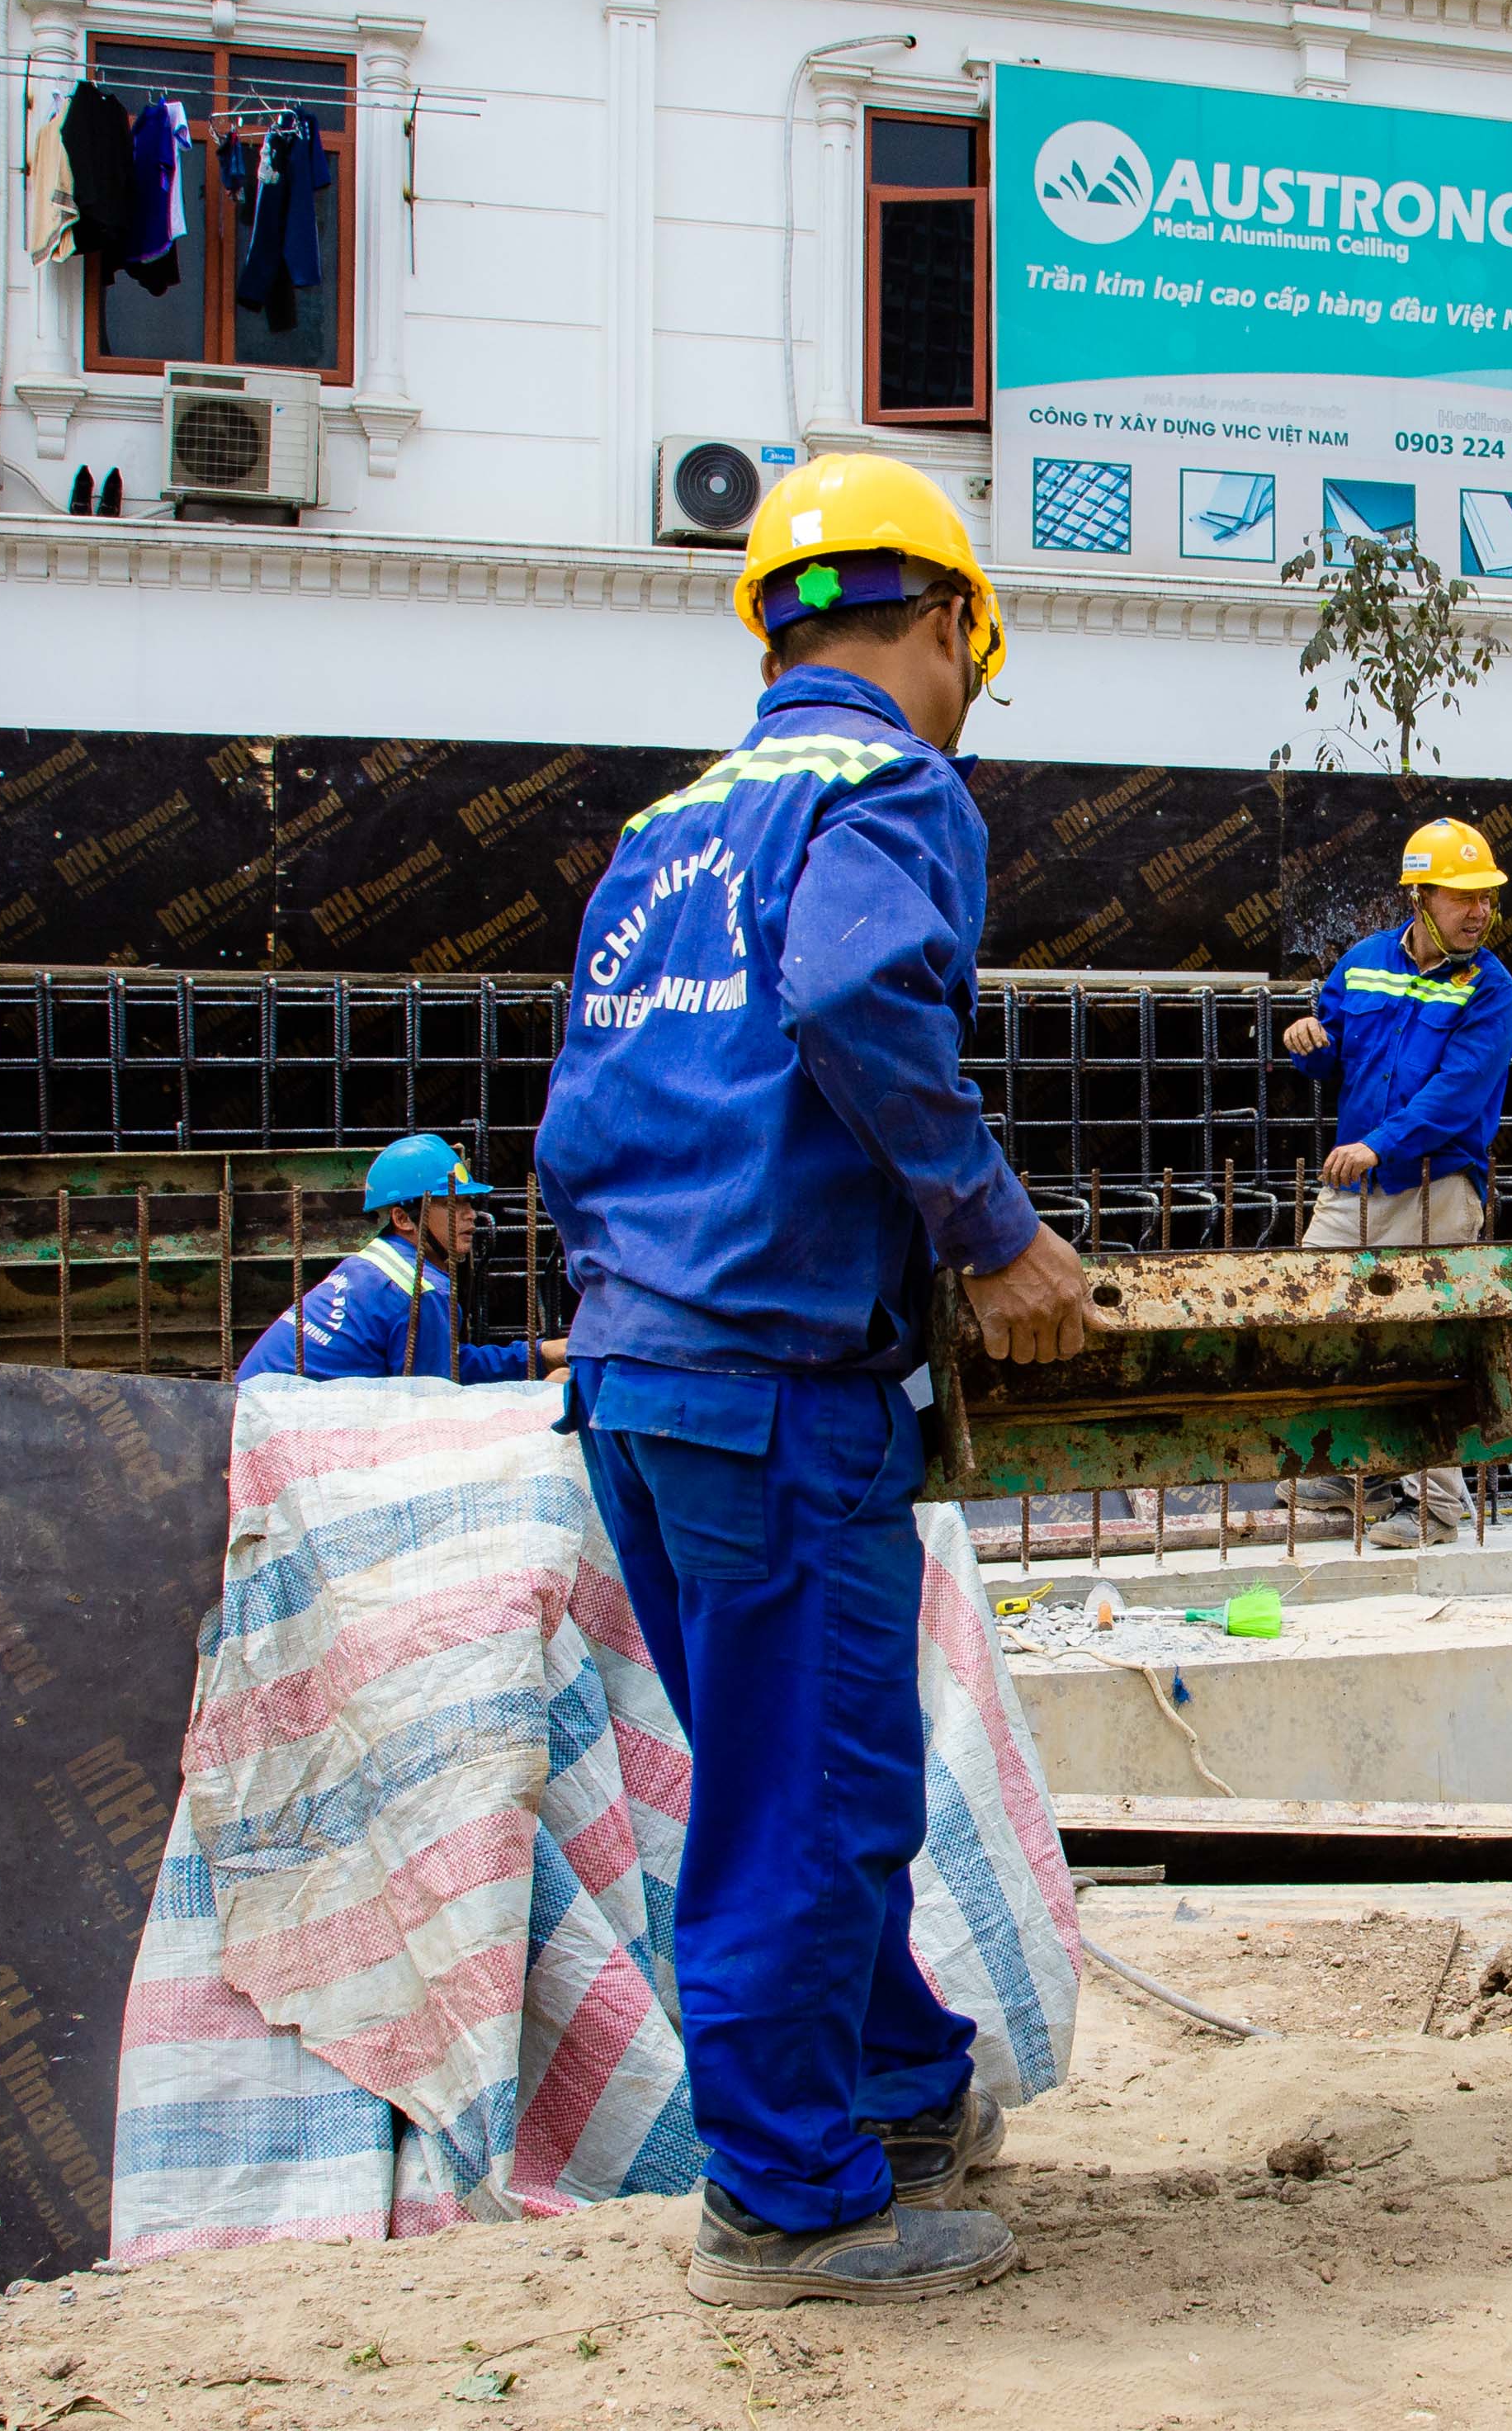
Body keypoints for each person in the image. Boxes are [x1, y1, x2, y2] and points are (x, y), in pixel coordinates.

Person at [532, 452, 1094, 2307]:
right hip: (773, 1387)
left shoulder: (668, 826)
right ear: (948, 624)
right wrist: (990, 1230)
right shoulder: (890, 782)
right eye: (969, 663)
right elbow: (857, 998)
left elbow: (583, 1114)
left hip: (639, 1374)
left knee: (780, 1772)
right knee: (816, 1798)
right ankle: (784, 2206)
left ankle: (897, 2091)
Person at [1278, 817, 1512, 1546]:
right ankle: (1358, 1474)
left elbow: (1454, 1095)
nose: (1478, 910)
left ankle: (1438, 1504)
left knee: (1427, 1336)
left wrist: (1377, 1146)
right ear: (1420, 897)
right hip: (1359, 1182)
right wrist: (1307, 1043)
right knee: (1316, 1311)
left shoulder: (1490, 989)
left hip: (1435, 1185)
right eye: (1462, 895)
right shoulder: (1362, 963)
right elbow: (1334, 1048)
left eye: (1485, 896)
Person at [232, 1133, 566, 1383]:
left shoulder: (369, 1267)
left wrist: (537, 1354)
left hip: (255, 1410)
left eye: (469, 1202)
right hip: (282, 1430)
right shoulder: (418, 1290)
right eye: (453, 1203)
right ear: (403, 1218)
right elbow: (433, 1406)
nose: (471, 1216)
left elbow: (442, 1362)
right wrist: (533, 1398)